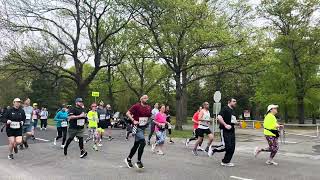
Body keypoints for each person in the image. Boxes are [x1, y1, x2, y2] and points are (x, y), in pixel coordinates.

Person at [124, 95, 152, 169]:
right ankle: (138, 161)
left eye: (147, 98)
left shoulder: (148, 107)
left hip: (143, 128)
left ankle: (128, 159)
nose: (146, 99)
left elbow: (150, 116)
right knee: (143, 142)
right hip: (136, 128)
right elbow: (127, 113)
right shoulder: (136, 106)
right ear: (141, 99)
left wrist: (149, 120)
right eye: (145, 98)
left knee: (136, 145)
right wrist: (133, 120)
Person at [209, 98, 237, 167]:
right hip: (224, 130)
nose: (235, 102)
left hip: (232, 131)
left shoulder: (233, 111)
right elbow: (219, 117)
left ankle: (225, 161)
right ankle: (213, 149)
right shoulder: (225, 108)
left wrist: (237, 123)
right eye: (233, 101)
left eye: (235, 101)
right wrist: (225, 125)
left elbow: (232, 121)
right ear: (229, 102)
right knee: (226, 146)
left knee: (232, 147)